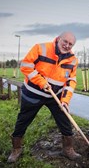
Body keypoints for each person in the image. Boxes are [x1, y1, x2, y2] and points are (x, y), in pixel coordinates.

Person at [7, 32, 81, 162]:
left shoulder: (73, 60)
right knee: (23, 120)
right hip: (33, 94)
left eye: (70, 44)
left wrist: (65, 101)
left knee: (64, 120)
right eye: (65, 41)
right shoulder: (40, 48)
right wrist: (41, 82)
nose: (67, 45)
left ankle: (68, 148)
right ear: (58, 39)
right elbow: (25, 66)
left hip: (55, 96)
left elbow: (70, 82)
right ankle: (16, 149)